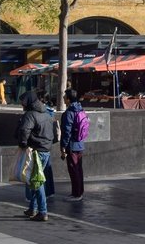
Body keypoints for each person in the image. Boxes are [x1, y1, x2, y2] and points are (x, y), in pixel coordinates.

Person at [15, 91, 56, 221]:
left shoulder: (30, 115)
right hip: (46, 150)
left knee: (37, 181)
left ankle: (43, 211)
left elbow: (24, 130)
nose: (21, 105)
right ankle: (33, 208)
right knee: (34, 179)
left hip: (36, 151)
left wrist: (23, 144)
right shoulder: (46, 113)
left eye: (23, 102)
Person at [61, 89, 91, 200]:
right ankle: (79, 192)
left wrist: (63, 146)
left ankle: (76, 194)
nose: (63, 98)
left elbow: (66, 132)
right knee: (78, 169)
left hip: (72, 145)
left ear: (68, 99)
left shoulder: (69, 113)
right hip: (80, 143)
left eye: (65, 97)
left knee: (73, 170)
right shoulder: (80, 109)